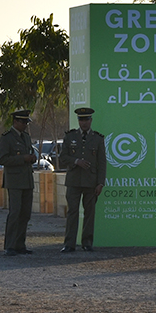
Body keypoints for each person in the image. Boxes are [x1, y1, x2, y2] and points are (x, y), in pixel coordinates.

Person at [60, 107, 106, 252]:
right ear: (78, 121)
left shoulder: (97, 139)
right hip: (74, 181)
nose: (84, 123)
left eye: (86, 120)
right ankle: (69, 244)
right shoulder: (70, 136)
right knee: (72, 212)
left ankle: (87, 242)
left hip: (91, 182)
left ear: (91, 120)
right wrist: (76, 161)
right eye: (81, 120)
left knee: (89, 212)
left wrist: (100, 183)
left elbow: (102, 162)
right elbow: (62, 158)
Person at [0, 109, 39, 255]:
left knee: (25, 213)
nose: (25, 125)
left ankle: (20, 244)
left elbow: (29, 154)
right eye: (22, 122)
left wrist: (31, 158)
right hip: (14, 181)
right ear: (15, 122)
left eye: (26, 122)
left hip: (27, 180)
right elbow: (2, 159)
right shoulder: (7, 138)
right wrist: (23, 159)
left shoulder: (26, 137)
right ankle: (10, 245)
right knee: (15, 213)